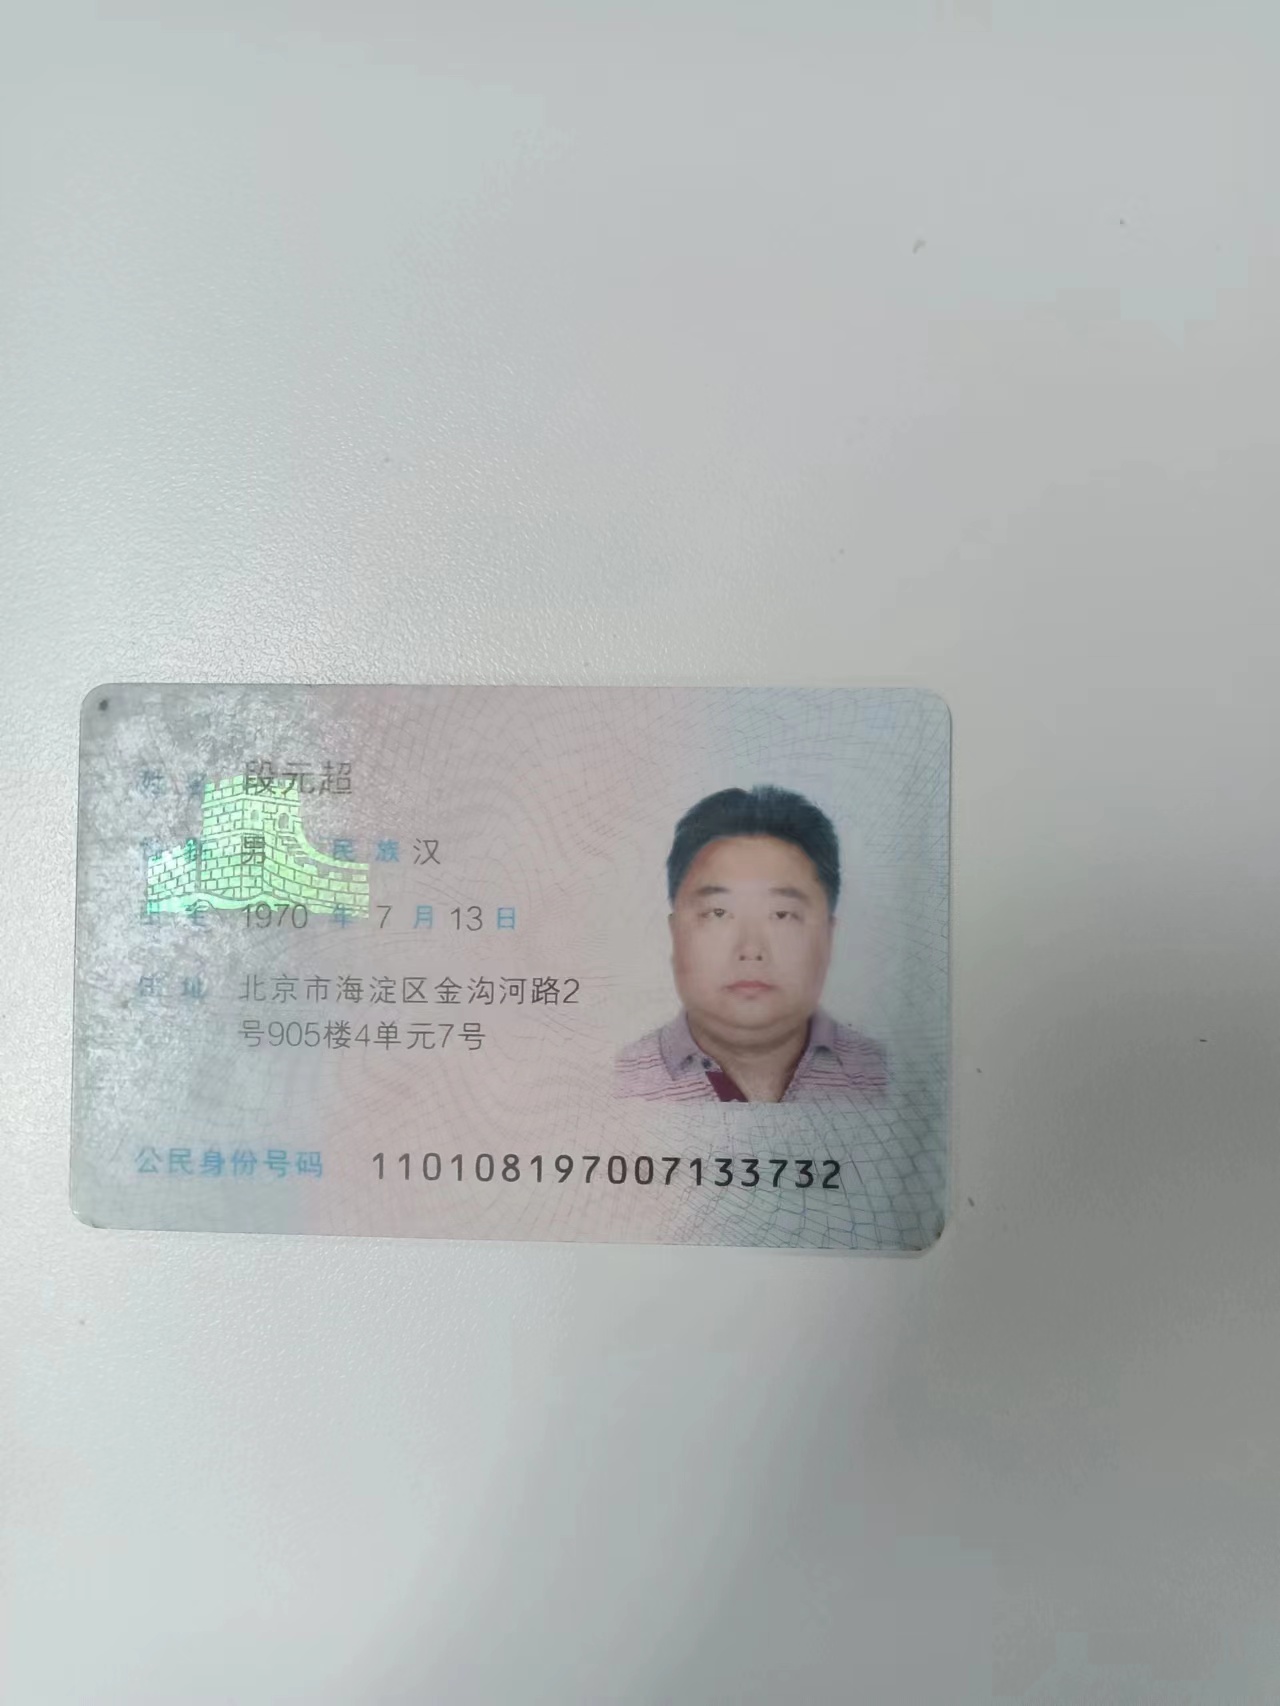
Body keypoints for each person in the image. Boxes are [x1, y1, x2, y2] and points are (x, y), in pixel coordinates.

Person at [614, 785, 886, 1103]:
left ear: (828, 937)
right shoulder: (616, 1082)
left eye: (781, 915)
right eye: (718, 913)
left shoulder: (890, 1077)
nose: (751, 950)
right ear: (676, 935)